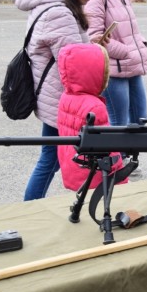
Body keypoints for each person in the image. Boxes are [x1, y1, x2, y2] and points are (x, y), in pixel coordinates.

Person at [15, 0, 104, 201]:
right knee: (49, 161)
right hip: (60, 98)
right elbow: (75, 66)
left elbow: (68, 51)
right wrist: (98, 55)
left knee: (50, 159)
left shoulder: (53, 4)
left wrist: (89, 45)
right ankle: (29, 208)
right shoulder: (60, 13)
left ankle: (30, 207)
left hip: (53, 94)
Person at [85, 0, 147, 128]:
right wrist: (126, 52)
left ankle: (132, 158)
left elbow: (129, 31)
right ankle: (118, 158)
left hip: (132, 68)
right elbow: (94, 37)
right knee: (118, 127)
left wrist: (140, 46)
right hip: (113, 73)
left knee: (140, 122)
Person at [57, 43, 125, 191]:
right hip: (95, 177)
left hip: (73, 170)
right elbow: (108, 149)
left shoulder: (66, 97)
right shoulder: (95, 107)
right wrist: (121, 177)